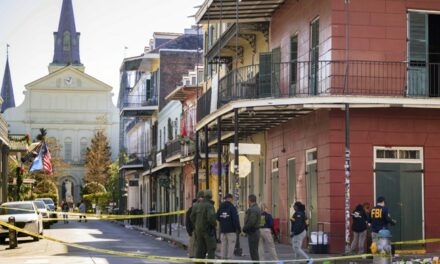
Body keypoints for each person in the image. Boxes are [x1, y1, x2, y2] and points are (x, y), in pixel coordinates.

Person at [191, 190, 217, 260]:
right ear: (211, 196)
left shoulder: (197, 205)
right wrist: (214, 224)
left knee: (200, 249)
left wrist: (196, 224)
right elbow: (211, 217)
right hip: (207, 230)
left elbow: (192, 217)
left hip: (198, 230)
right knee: (211, 248)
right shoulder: (209, 205)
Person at [217, 193, 241, 260]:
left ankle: (223, 259)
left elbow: (217, 217)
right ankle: (229, 260)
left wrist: (223, 221)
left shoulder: (221, 207)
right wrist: (238, 229)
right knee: (231, 246)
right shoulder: (232, 207)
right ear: (230, 199)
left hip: (223, 230)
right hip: (231, 231)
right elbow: (235, 219)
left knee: (223, 246)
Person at [242, 194, 261, 263]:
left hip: (253, 232)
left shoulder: (253, 209)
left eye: (248, 200)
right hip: (254, 231)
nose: (248, 202)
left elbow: (252, 221)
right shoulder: (256, 208)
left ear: (249, 200)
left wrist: (245, 228)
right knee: (254, 250)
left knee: (253, 251)